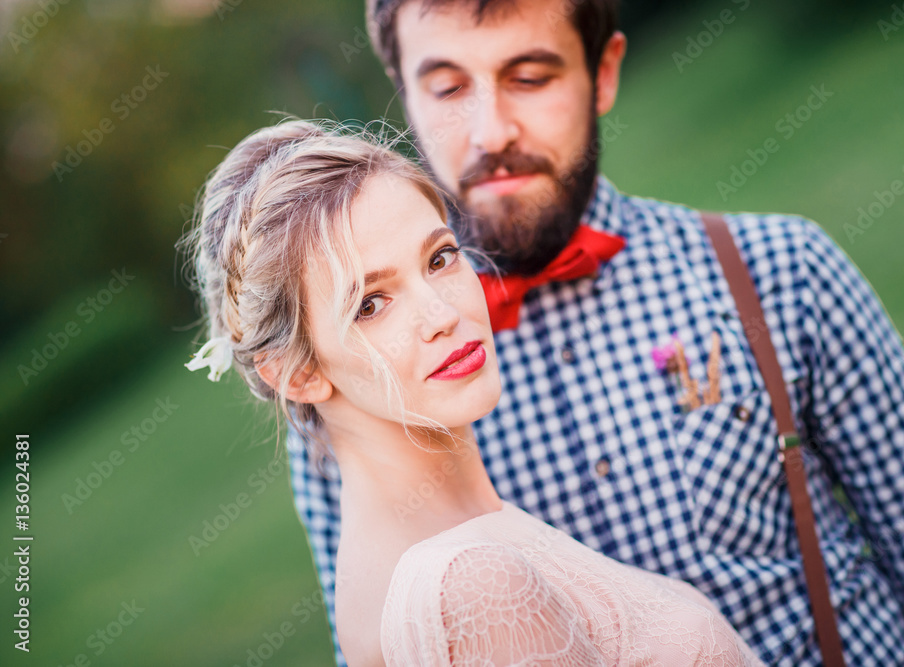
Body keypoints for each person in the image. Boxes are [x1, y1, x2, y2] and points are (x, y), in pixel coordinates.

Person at [285, 0, 904, 665]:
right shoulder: (359, 398)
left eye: (529, 77)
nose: (490, 131)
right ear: (403, 92)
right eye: (445, 88)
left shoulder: (777, 270)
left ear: (603, 73)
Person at [180, 118, 766, 666]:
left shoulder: (456, 540)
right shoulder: (471, 584)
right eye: (370, 304)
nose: (442, 313)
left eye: (439, 259)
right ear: (297, 373)